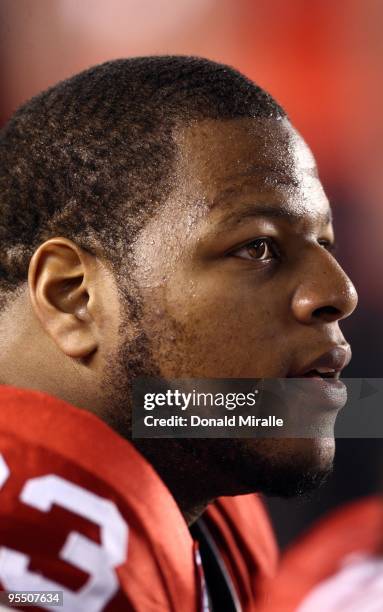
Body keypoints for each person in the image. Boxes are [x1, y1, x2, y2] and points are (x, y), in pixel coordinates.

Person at [0, 56, 357, 610]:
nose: (337, 292)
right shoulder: (32, 546)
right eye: (257, 246)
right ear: (73, 295)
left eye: (325, 246)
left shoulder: (211, 521)